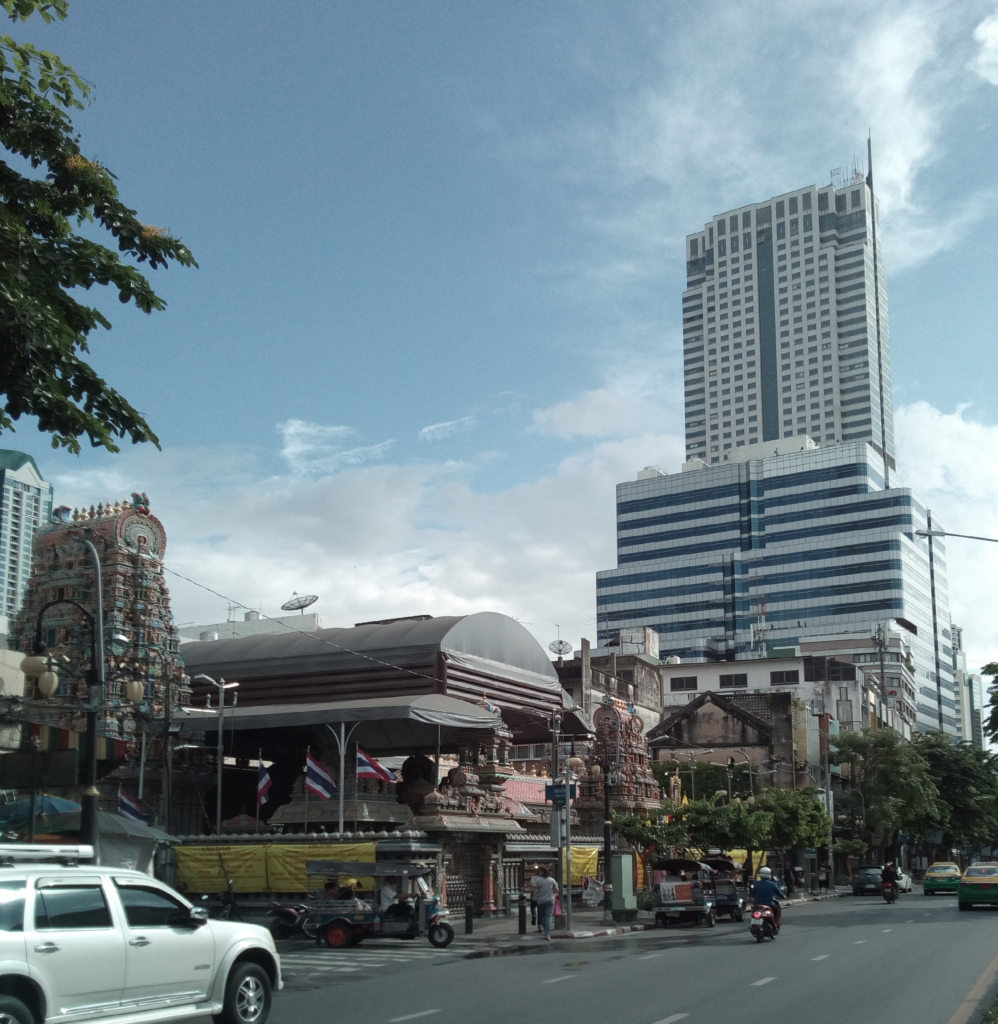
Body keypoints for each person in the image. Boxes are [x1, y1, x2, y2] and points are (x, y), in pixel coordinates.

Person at [751, 867, 786, 932]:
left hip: (757, 905)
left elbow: (753, 894)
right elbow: (779, 893)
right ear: (769, 874)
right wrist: (783, 896)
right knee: (776, 909)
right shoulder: (772, 884)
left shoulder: (756, 884)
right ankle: (774, 925)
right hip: (769, 904)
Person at [531, 865, 559, 941]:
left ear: (543, 872)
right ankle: (547, 933)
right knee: (549, 916)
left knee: (543, 916)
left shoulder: (538, 880)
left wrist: (533, 897)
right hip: (550, 900)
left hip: (541, 901)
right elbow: (556, 890)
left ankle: (545, 932)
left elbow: (533, 890)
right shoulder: (552, 880)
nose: (539, 872)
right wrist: (551, 892)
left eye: (540, 871)